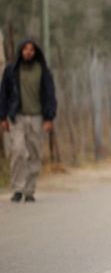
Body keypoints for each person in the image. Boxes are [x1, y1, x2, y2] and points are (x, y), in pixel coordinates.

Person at [0, 39, 57, 202]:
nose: (28, 52)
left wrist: (49, 117)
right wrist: (2, 116)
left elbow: (50, 95)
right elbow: (3, 94)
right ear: (20, 51)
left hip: (37, 118)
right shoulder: (11, 70)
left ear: (36, 52)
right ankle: (17, 188)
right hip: (16, 117)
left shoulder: (43, 71)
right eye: (25, 49)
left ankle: (29, 190)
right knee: (18, 151)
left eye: (31, 50)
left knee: (34, 154)